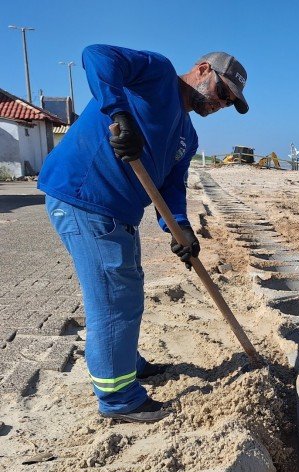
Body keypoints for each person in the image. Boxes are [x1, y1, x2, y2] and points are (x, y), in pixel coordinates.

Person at [38, 45, 249, 423]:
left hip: (119, 213)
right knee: (114, 297)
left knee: (128, 287)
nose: (222, 104)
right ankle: (118, 397)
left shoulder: (187, 135)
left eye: (230, 103)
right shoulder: (155, 73)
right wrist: (120, 115)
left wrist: (180, 229)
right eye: (222, 93)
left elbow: (172, 188)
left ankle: (126, 361)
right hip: (84, 197)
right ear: (202, 70)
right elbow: (97, 56)